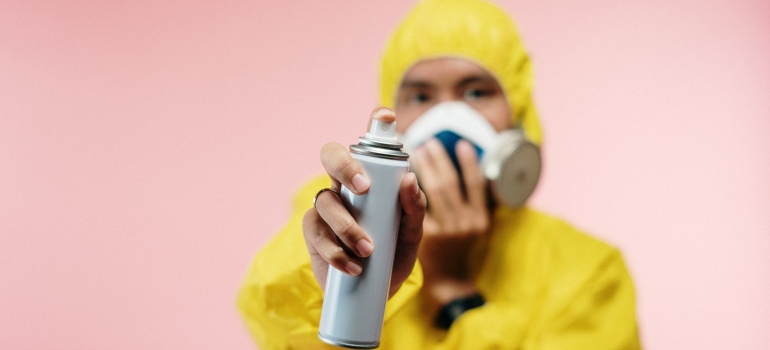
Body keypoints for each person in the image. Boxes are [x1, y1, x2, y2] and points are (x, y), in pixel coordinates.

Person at [238, 0, 641, 348]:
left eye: (476, 92)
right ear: (393, 117)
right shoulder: (338, 212)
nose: (447, 118)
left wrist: (453, 288)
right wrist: (343, 283)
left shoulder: (588, 270)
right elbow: (276, 323)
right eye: (420, 96)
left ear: (518, 115)